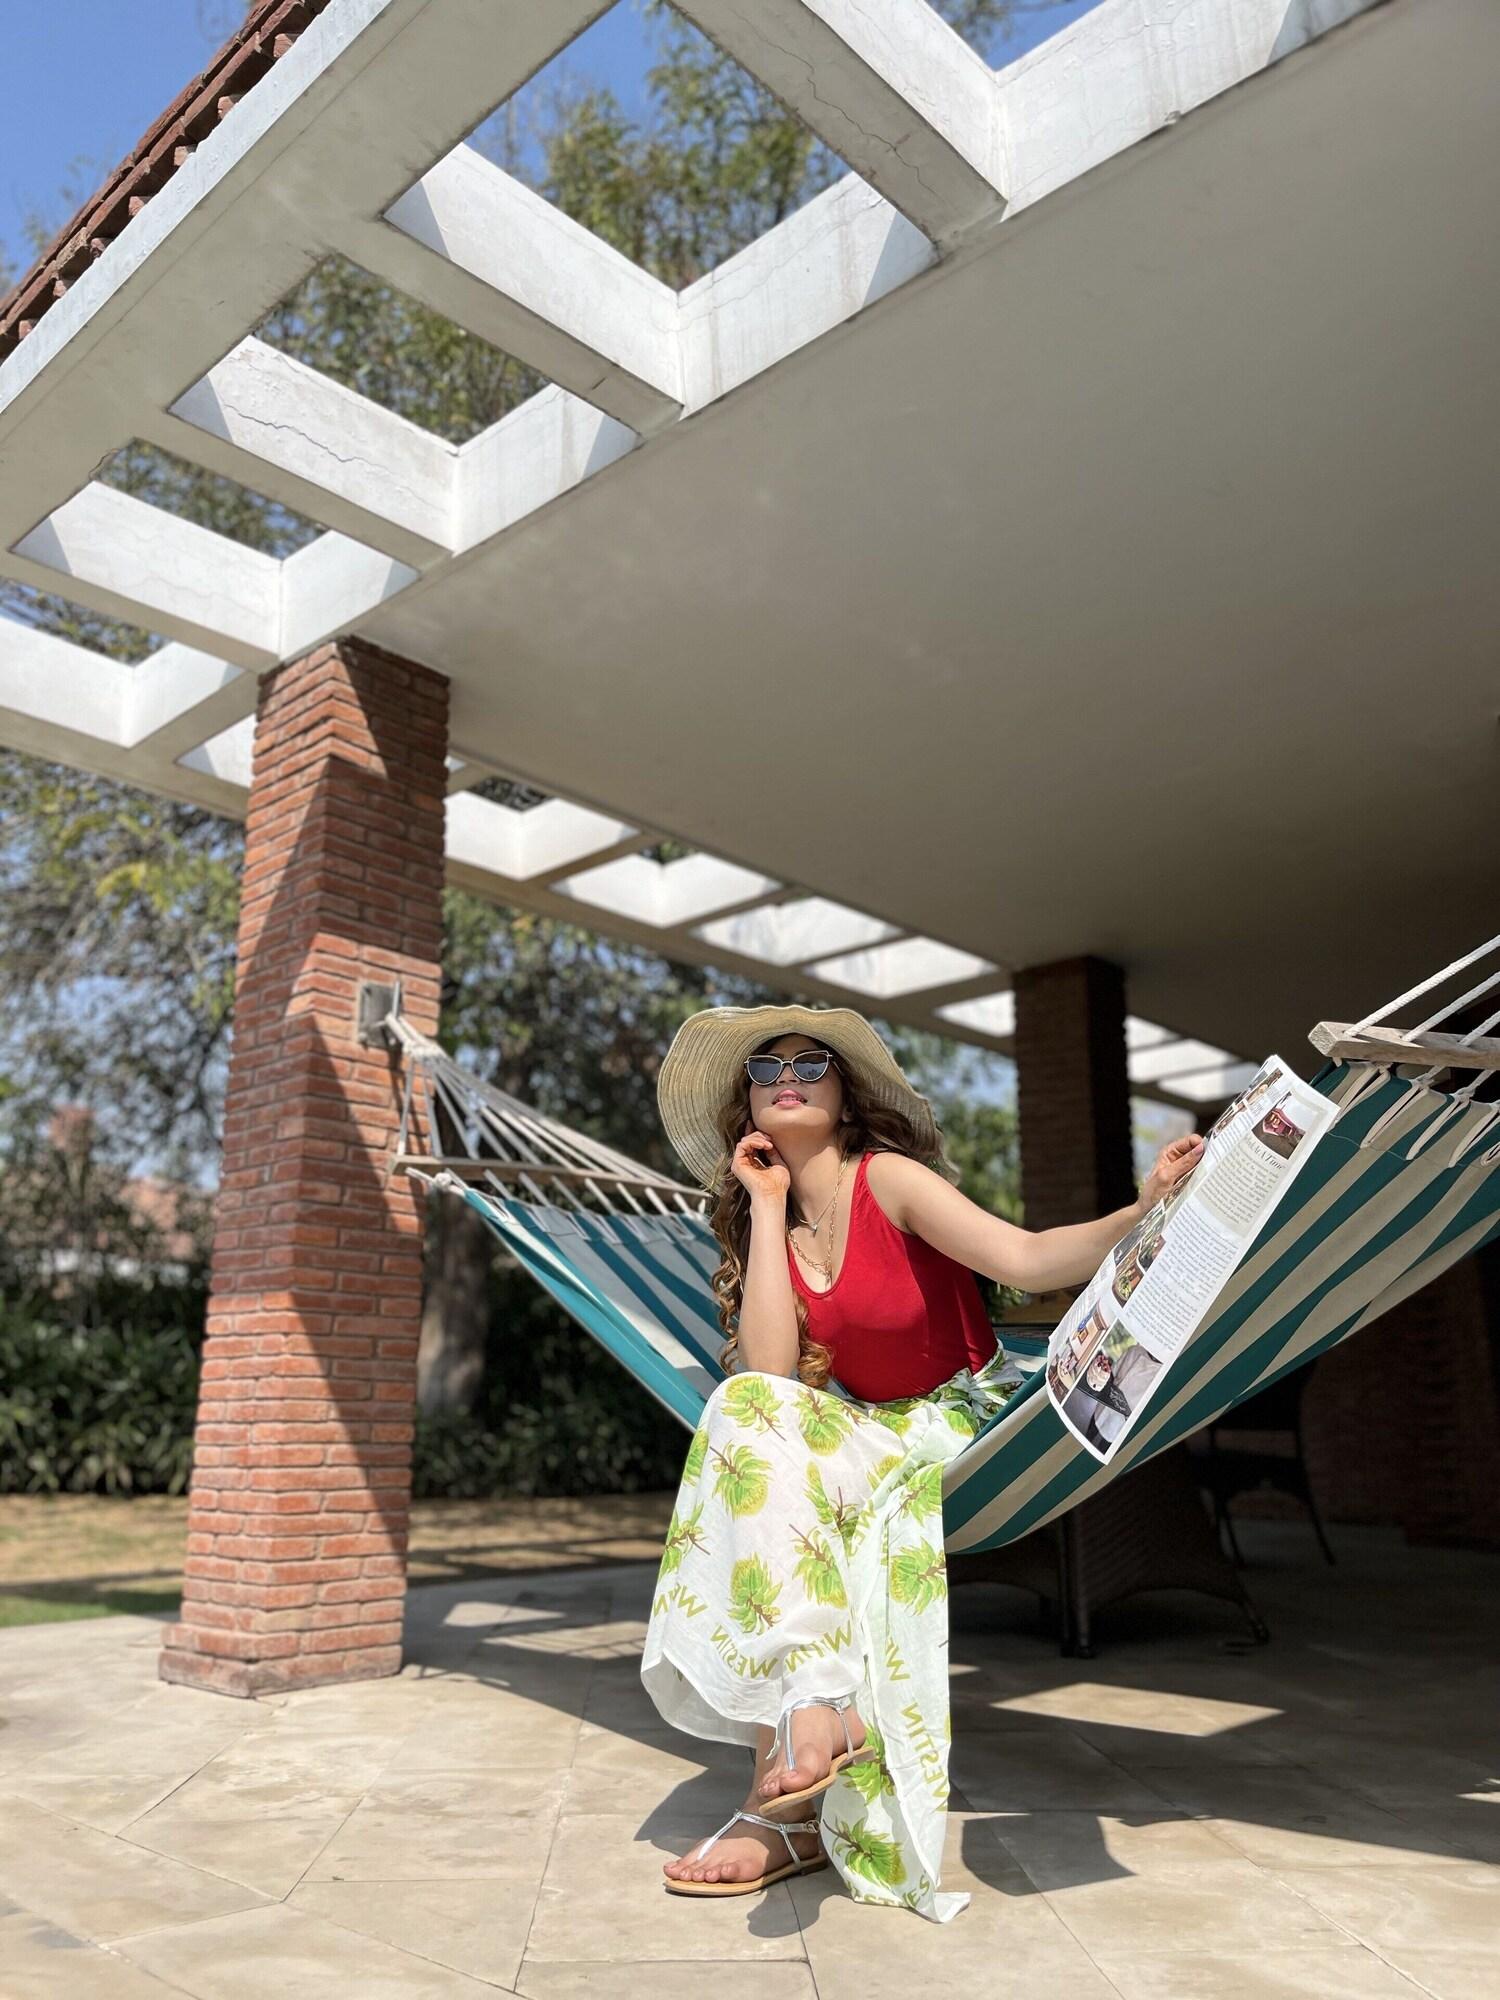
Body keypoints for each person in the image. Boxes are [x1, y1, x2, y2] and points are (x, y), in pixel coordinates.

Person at [641, 1001, 1202, 1921]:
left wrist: (1140, 1212)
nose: (786, 1079)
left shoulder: (887, 1177)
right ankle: (818, 1710)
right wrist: (770, 1203)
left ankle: (777, 1795)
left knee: (768, 1450)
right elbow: (774, 1379)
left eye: (808, 1063)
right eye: (764, 1071)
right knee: (743, 1410)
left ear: (847, 1094)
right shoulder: (767, 1226)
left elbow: (1023, 1256)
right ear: (746, 1112)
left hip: (958, 1418)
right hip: (859, 1430)